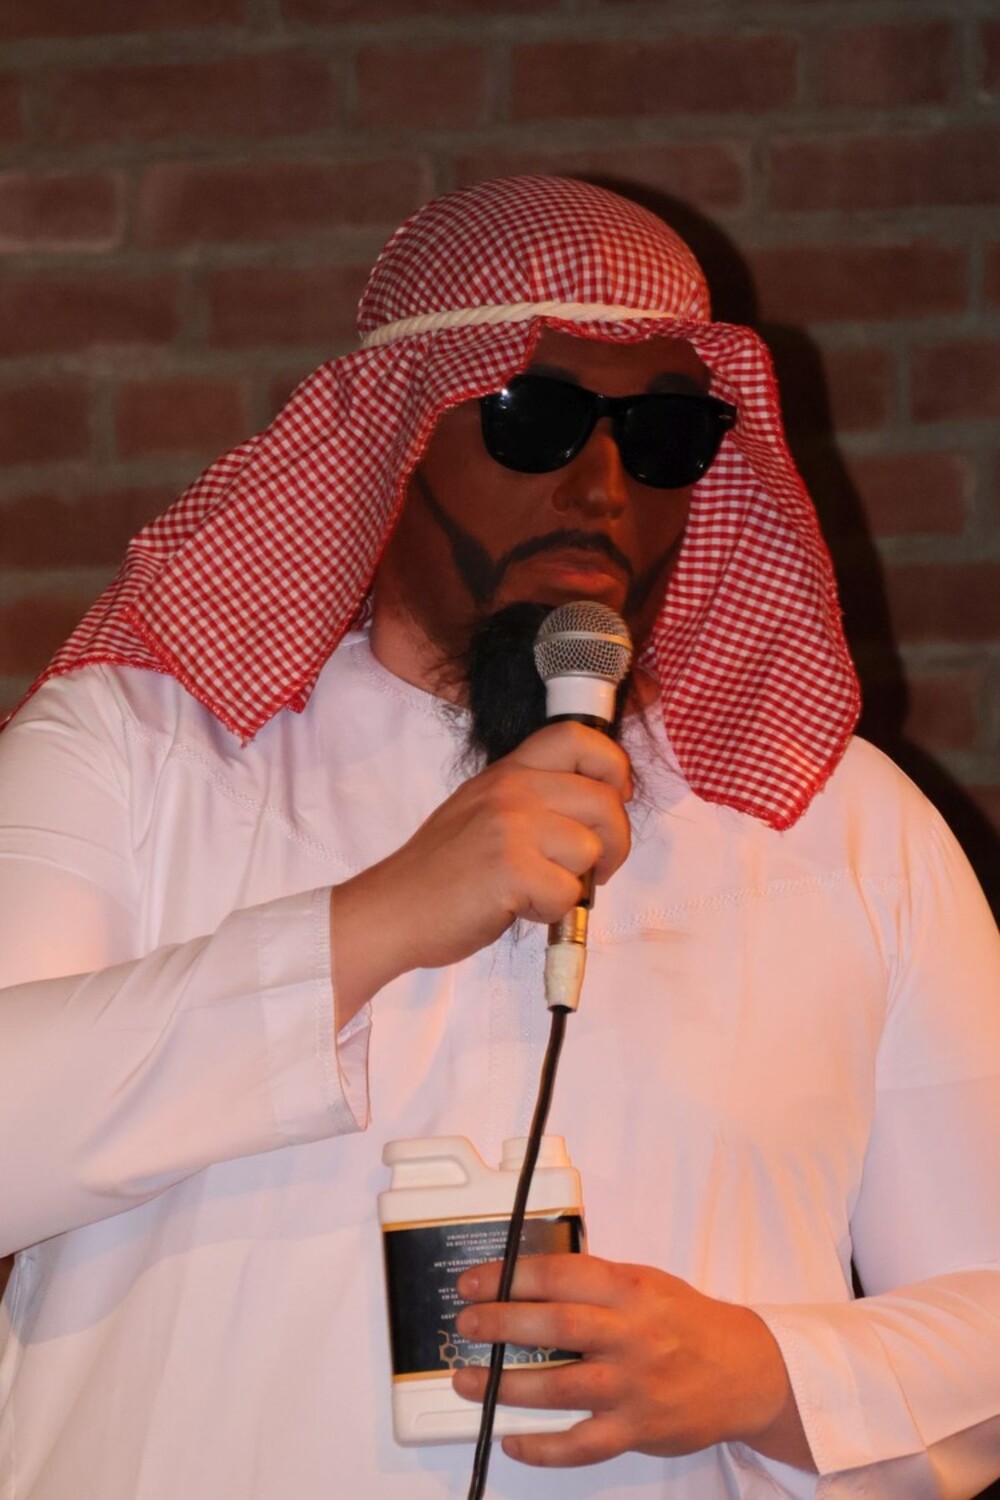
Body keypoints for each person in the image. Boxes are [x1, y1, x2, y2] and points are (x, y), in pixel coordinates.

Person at [0, 175, 997, 1500]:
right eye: (538, 417)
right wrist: (371, 923)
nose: (601, 486)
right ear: (392, 436)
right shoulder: (137, 753)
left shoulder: (843, 822)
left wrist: (765, 1374)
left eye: (664, 432)